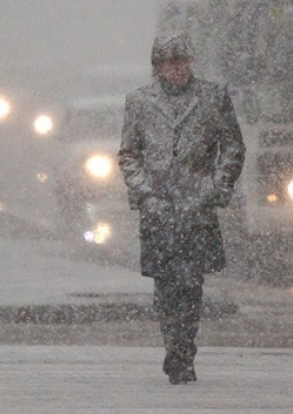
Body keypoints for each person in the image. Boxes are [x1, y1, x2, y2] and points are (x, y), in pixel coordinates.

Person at [118, 31, 245, 384]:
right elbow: (129, 153)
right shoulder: (140, 102)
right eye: (171, 62)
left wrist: (216, 186)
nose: (178, 68)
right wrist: (145, 191)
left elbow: (232, 147)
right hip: (158, 209)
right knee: (166, 285)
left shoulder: (213, 97)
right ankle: (173, 342)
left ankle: (184, 349)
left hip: (197, 207)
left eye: (183, 61)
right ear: (158, 66)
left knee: (191, 283)